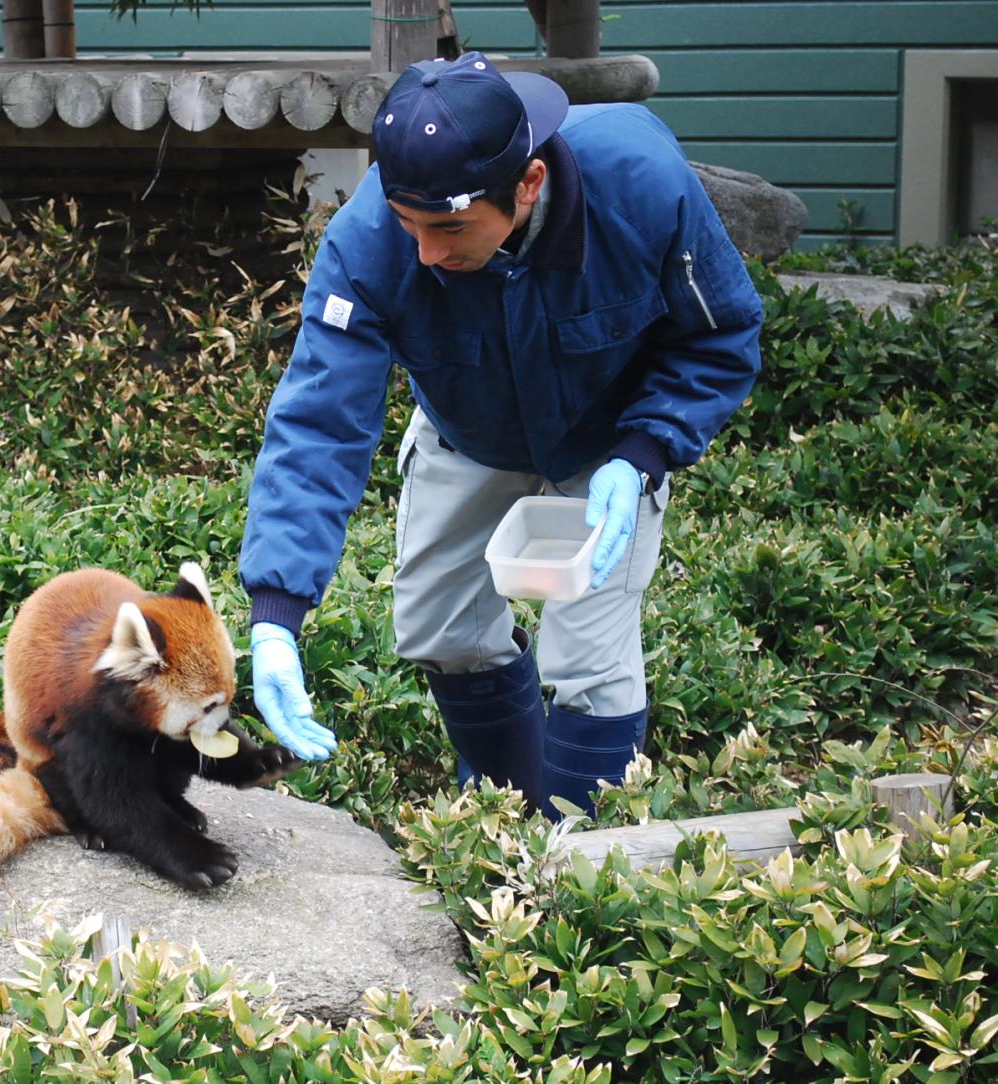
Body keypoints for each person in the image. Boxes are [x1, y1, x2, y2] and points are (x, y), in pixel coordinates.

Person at [238, 53, 763, 816]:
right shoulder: (366, 243)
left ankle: (575, 875)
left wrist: (645, 450)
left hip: (608, 444)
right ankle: (502, 824)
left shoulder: (643, 188)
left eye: (448, 226)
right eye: (407, 223)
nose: (424, 252)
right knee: (438, 629)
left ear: (527, 185)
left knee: (588, 660)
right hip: (467, 432)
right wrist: (275, 617)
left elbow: (719, 336)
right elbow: (318, 422)